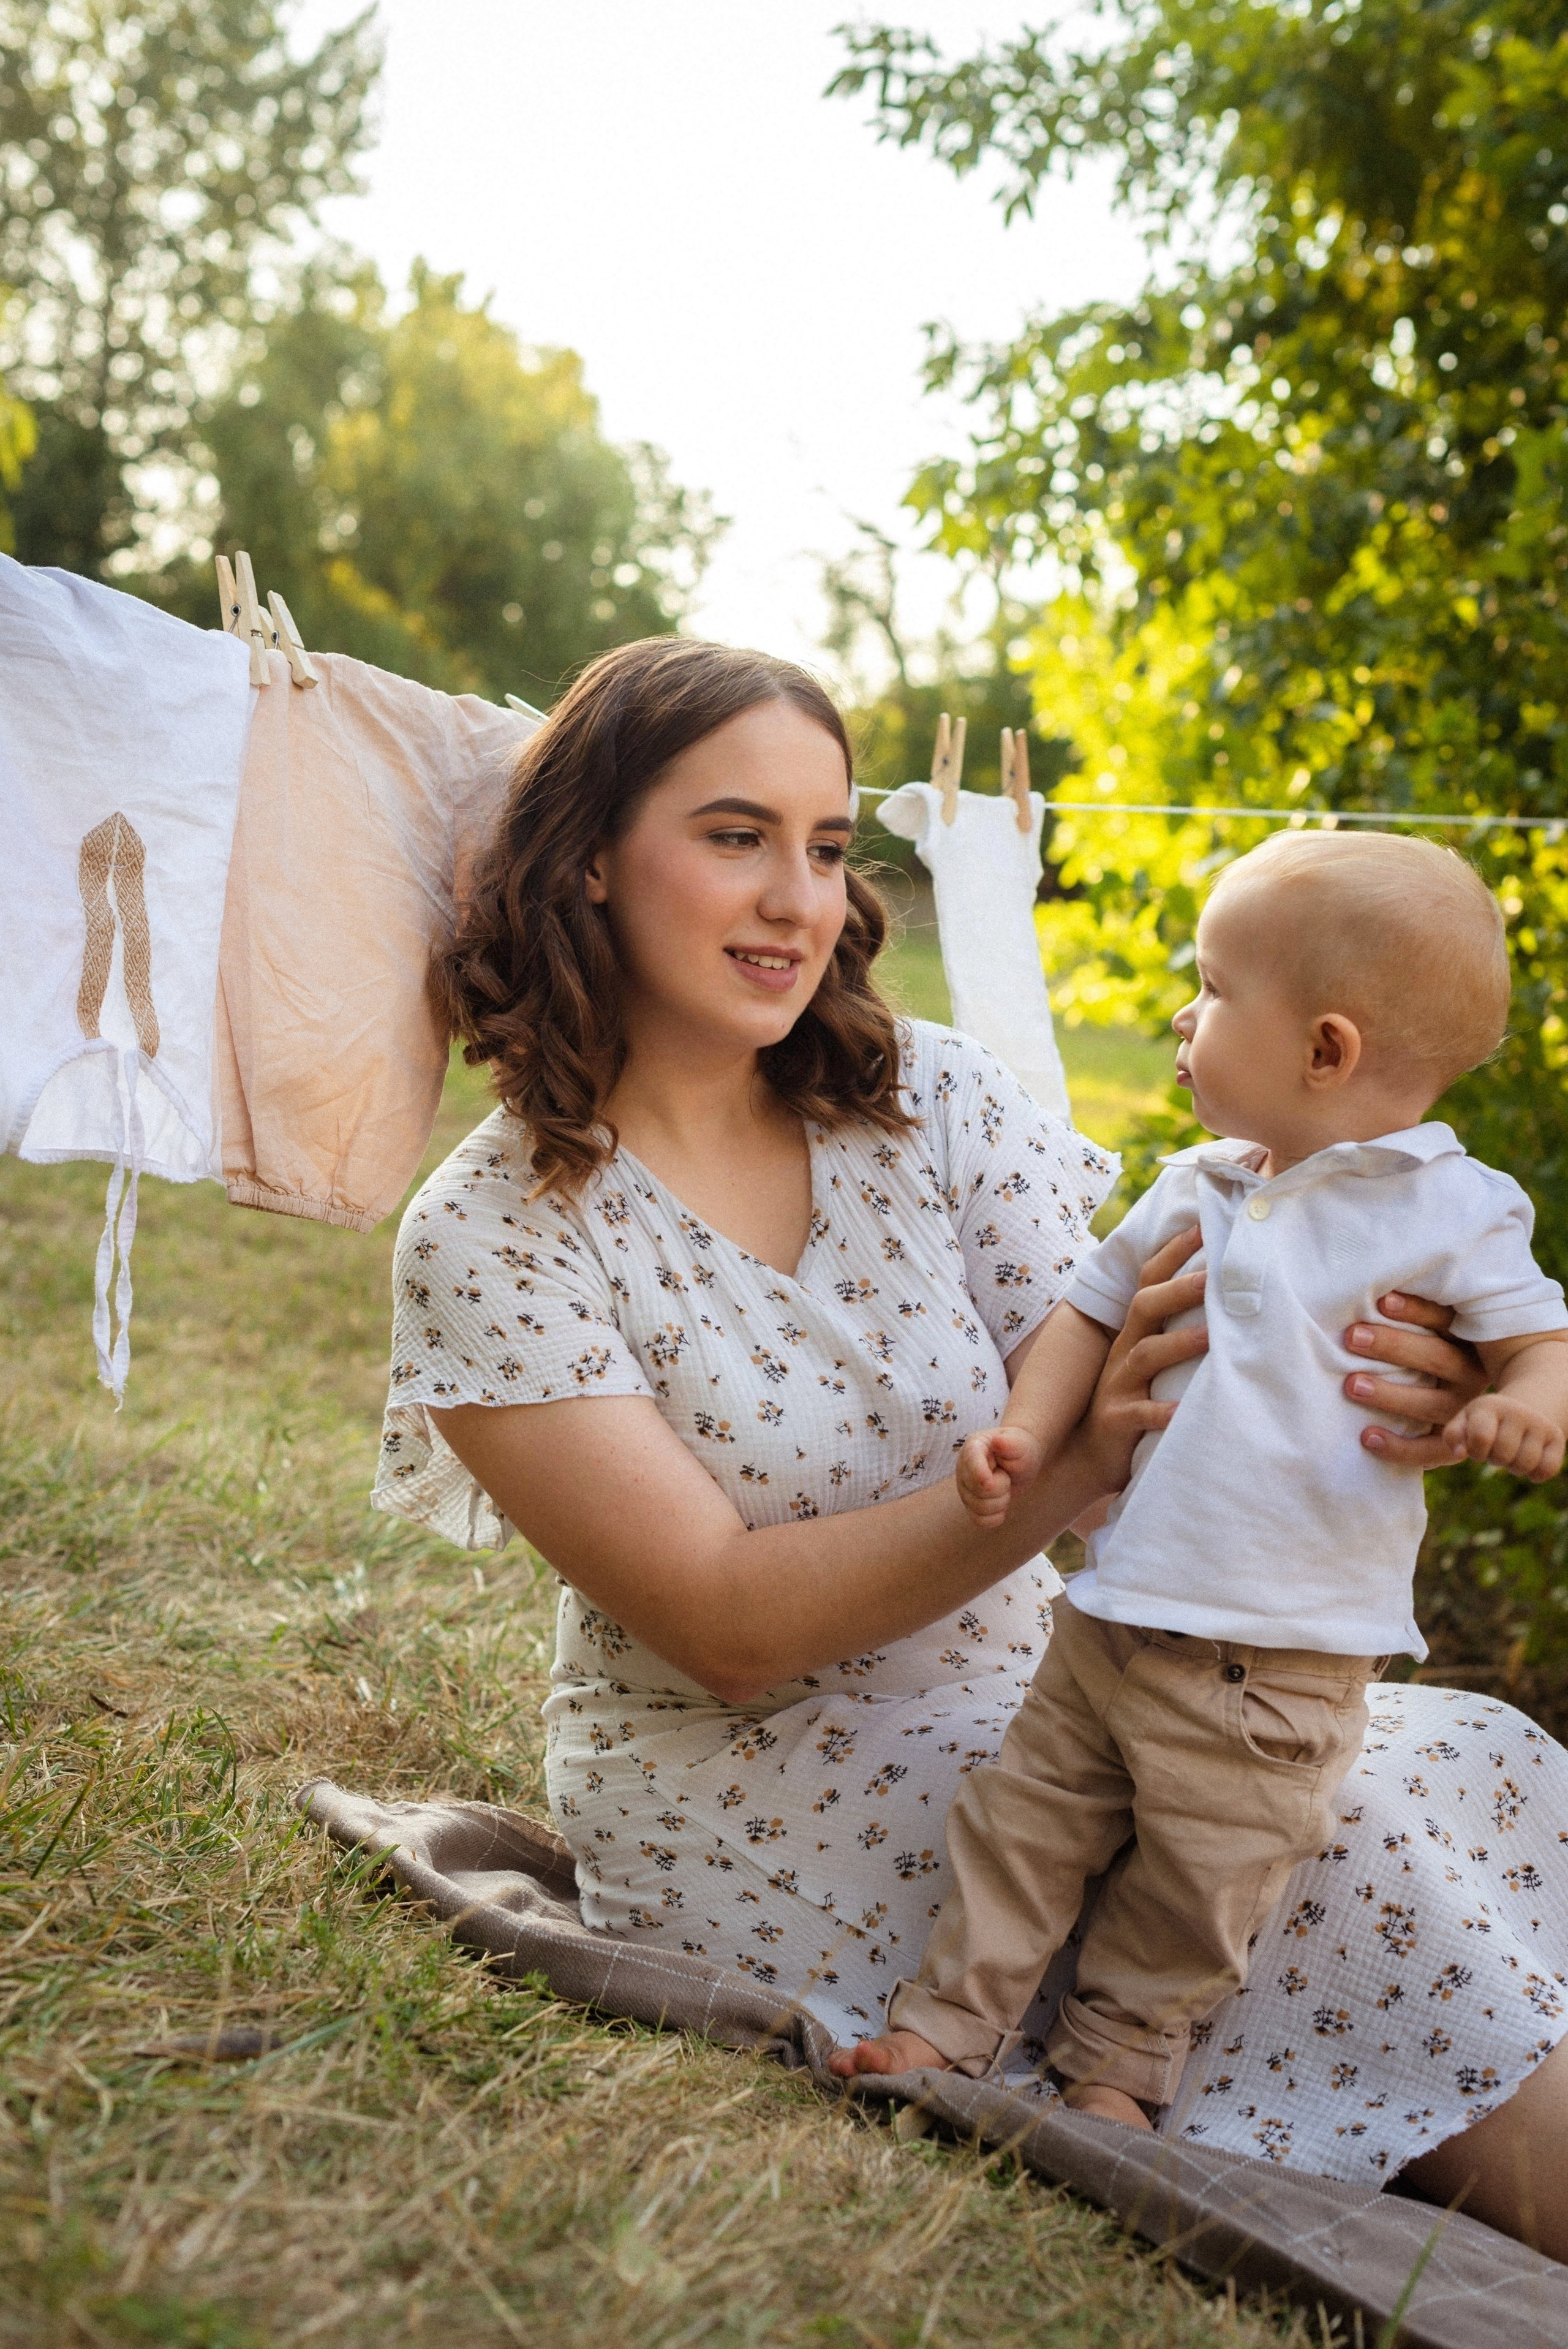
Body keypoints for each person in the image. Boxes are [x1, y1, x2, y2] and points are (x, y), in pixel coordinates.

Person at [370, 637, 1568, 2259]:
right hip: (765, 1800)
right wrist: (1064, 1477)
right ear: (586, 856)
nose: (800, 899)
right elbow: (725, 1625)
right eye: (737, 836)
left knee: (1405, 1774)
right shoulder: (496, 1234)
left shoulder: (927, 1099)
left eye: (829, 844)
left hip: (1065, 1685)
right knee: (1332, 1844)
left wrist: (1389, 1374)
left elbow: (1149, 1373)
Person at [835, 831, 1568, 2154]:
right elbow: (1082, 1309)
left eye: (1213, 986)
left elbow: (1540, 1339)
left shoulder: (1453, 1213)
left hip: (1278, 1665)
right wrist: (1022, 1429)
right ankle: (943, 2025)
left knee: (1204, 1881)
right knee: (1023, 1822)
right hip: (1116, 1614)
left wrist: (1520, 1406)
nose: (1182, 1012)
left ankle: (1116, 2067)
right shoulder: (1195, 1184)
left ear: (1325, 1052)